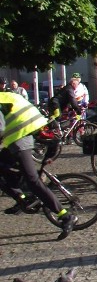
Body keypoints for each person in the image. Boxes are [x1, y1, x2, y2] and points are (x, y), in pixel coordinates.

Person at [0, 93, 78, 239]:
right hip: (28, 131)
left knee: (33, 181)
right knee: (4, 167)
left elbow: (0, 129)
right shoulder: (5, 95)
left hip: (20, 137)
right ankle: (21, 197)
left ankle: (65, 215)